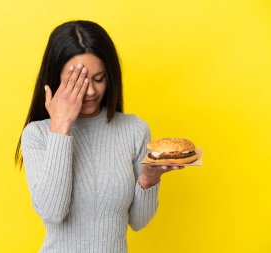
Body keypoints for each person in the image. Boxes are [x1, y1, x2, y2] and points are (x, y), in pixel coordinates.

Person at [15, 20, 184, 253]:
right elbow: (53, 213)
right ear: (55, 80)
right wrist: (61, 126)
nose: (91, 91)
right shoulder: (38, 134)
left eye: (98, 78)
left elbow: (138, 222)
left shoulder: (134, 130)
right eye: (78, 82)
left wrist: (148, 180)